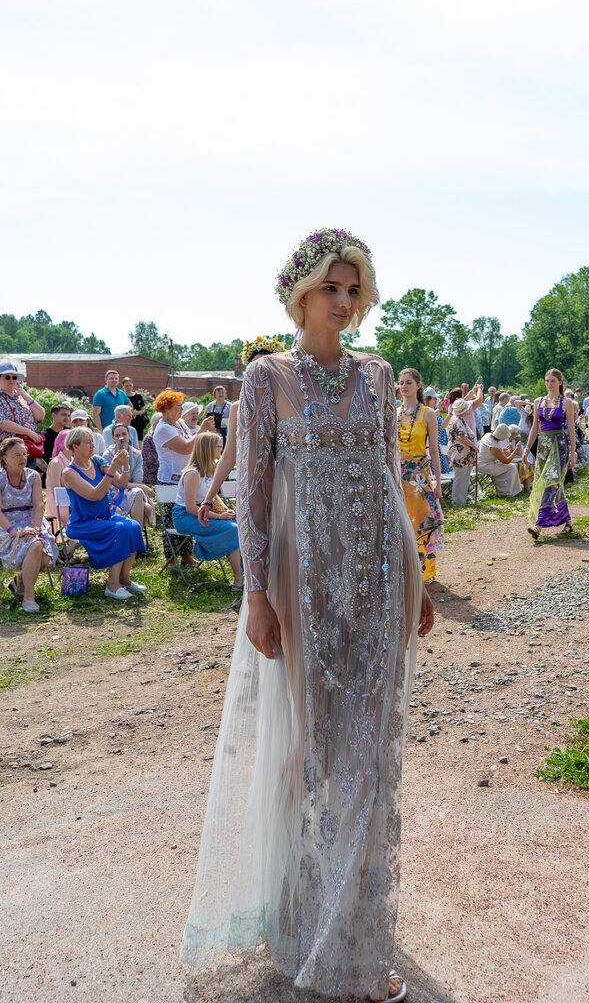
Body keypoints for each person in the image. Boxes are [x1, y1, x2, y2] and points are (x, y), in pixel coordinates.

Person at [180, 227, 432, 1003]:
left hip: (380, 580)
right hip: (303, 588)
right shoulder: (266, 380)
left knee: (370, 752)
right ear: (300, 294)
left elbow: (390, 475)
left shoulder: (379, 375)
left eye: (354, 289)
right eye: (332, 288)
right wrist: (255, 594)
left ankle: (355, 938)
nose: (345, 302)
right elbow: (252, 496)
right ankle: (300, 912)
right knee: (310, 749)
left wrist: (417, 576)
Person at [196, 336, 287, 529]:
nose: (260, 373)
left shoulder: (287, 405)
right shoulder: (237, 408)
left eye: (266, 367)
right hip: (250, 488)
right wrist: (208, 499)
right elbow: (228, 456)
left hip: (285, 488)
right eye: (254, 367)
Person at [61, 427, 146, 600]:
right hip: (82, 523)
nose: (93, 445)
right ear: (75, 446)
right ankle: (112, 586)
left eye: (92, 441)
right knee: (121, 529)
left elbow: (121, 483)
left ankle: (124, 579)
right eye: (88, 443)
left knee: (134, 526)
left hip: (104, 517)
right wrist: (113, 467)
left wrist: (125, 465)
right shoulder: (69, 472)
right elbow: (95, 495)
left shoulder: (97, 461)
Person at [153, 389, 216, 569]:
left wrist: (204, 431)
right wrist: (202, 430)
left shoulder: (179, 423)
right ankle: (171, 559)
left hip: (185, 478)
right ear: (166, 409)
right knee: (172, 519)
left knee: (187, 515)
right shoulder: (163, 428)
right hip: (171, 479)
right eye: (178, 406)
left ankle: (187, 555)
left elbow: (193, 441)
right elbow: (187, 448)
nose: (181, 409)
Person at [172, 432, 242, 588]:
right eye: (219, 446)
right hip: (185, 517)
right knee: (233, 530)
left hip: (202, 513)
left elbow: (213, 495)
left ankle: (244, 575)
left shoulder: (210, 469)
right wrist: (219, 517)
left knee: (240, 525)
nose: (221, 450)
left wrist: (225, 510)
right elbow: (191, 508)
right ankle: (239, 579)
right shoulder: (193, 474)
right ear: (208, 448)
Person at [0, 436, 58, 613]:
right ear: (4, 458)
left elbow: (38, 505)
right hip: (7, 524)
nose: (22, 458)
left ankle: (20, 581)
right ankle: (28, 598)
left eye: (24, 454)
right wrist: (13, 531)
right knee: (37, 547)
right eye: (17, 455)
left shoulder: (33, 476)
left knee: (43, 555)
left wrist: (36, 529)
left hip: (32, 521)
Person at [397, 367, 443, 582]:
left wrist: (438, 483)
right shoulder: (395, 413)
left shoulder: (428, 413)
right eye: (401, 382)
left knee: (422, 520)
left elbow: (433, 450)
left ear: (418, 385)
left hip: (419, 476)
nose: (404, 386)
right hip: (398, 475)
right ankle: (404, 570)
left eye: (409, 382)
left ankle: (424, 570)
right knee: (401, 522)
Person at [523, 368, 576, 538]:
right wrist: (526, 449)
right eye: (547, 380)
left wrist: (573, 452)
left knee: (551, 483)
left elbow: (571, 429)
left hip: (559, 446)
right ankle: (568, 521)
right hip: (543, 447)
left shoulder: (566, 402)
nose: (549, 384)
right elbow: (534, 428)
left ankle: (539, 525)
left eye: (552, 380)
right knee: (546, 483)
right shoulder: (538, 401)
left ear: (560, 382)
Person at [102, 423, 153, 531]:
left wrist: (139, 486)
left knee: (144, 503)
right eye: (117, 435)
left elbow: (137, 481)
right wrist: (143, 487)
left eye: (124, 434)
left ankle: (135, 535)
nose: (121, 438)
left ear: (129, 435)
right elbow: (114, 482)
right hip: (114, 492)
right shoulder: (108, 455)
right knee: (141, 497)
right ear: (113, 438)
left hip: (131, 491)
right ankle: (135, 535)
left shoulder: (136, 454)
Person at [0, 362, 46, 469]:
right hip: (8, 451)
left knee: (27, 478)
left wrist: (25, 395)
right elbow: (2, 423)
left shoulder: (22, 398)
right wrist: (28, 432)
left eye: (14, 377)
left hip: (28, 450)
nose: (11, 380)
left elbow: (40, 416)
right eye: (7, 377)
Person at [445, 397, 478, 505]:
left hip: (462, 454)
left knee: (464, 477)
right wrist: (474, 446)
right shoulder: (458, 420)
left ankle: (461, 500)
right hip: (460, 454)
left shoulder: (457, 419)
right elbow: (462, 437)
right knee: (460, 477)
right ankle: (457, 501)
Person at [477, 423, 522, 496]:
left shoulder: (487, 435)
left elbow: (490, 452)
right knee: (512, 467)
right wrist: (516, 450)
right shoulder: (494, 445)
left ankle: (510, 490)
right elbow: (506, 461)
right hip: (484, 466)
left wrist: (502, 450)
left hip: (481, 462)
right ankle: (505, 492)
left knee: (511, 466)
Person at [422, 385, 450, 475]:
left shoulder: (433, 409)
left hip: (439, 444)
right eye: (434, 398)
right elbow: (428, 418)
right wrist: (439, 409)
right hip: (431, 446)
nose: (436, 400)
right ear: (429, 399)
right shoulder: (424, 410)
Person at [122, 377, 148, 444]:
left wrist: (136, 413)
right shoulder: (121, 397)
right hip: (126, 421)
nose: (128, 387)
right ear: (123, 386)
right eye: (126, 386)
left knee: (138, 440)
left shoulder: (138, 396)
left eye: (130, 386)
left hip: (138, 422)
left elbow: (143, 410)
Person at [141, 413, 161, 486]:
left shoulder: (164, 437)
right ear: (155, 424)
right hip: (152, 477)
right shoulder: (149, 439)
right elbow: (150, 462)